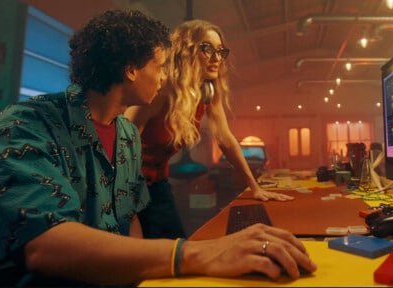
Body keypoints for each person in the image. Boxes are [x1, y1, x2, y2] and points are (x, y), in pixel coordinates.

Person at [0, 10, 316, 286]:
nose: (164, 75)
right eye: (160, 66)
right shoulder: (25, 124)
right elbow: (45, 246)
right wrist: (197, 252)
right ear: (131, 70)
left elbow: (130, 217)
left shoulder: (127, 138)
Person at [125, 19, 294, 239]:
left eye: (220, 51)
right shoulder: (162, 87)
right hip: (126, 184)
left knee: (175, 245)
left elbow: (225, 138)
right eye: (207, 49)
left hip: (157, 183)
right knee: (155, 252)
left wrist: (255, 187)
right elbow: (123, 142)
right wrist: (125, 202)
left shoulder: (207, 91)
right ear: (187, 51)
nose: (216, 59)